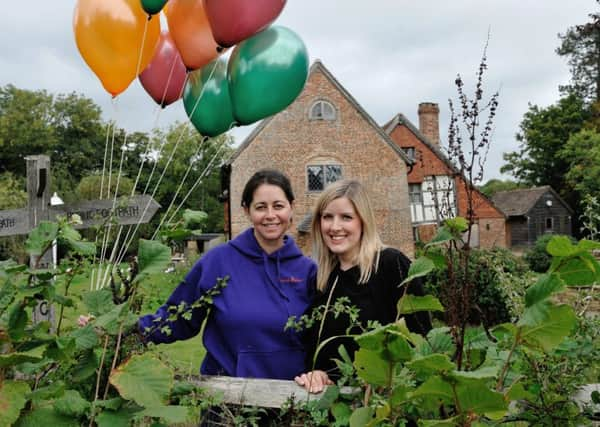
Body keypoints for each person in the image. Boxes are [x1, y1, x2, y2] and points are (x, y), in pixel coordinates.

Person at [139, 169, 317, 381]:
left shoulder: (308, 271)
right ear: (246, 211)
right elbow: (178, 318)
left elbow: (323, 336)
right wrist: (119, 330)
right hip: (227, 398)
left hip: (291, 400)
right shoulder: (217, 262)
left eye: (278, 206)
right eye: (260, 207)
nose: (271, 215)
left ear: (291, 207)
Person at [295, 179, 432, 393]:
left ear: (363, 221)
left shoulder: (390, 265)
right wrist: (317, 373)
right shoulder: (324, 278)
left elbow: (423, 339)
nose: (334, 226)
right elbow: (317, 350)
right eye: (327, 217)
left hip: (389, 405)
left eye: (346, 217)